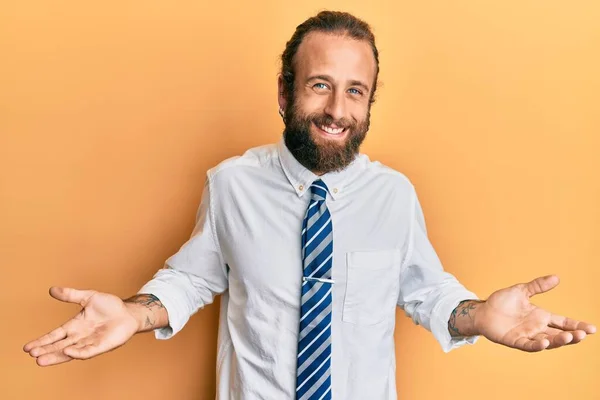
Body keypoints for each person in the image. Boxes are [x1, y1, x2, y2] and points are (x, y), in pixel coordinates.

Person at [23, 10, 596, 400]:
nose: (337, 110)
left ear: (369, 102)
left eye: (355, 91)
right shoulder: (231, 184)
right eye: (319, 84)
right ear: (284, 92)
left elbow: (424, 291)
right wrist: (132, 312)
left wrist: (480, 316)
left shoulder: (394, 195)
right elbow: (192, 279)